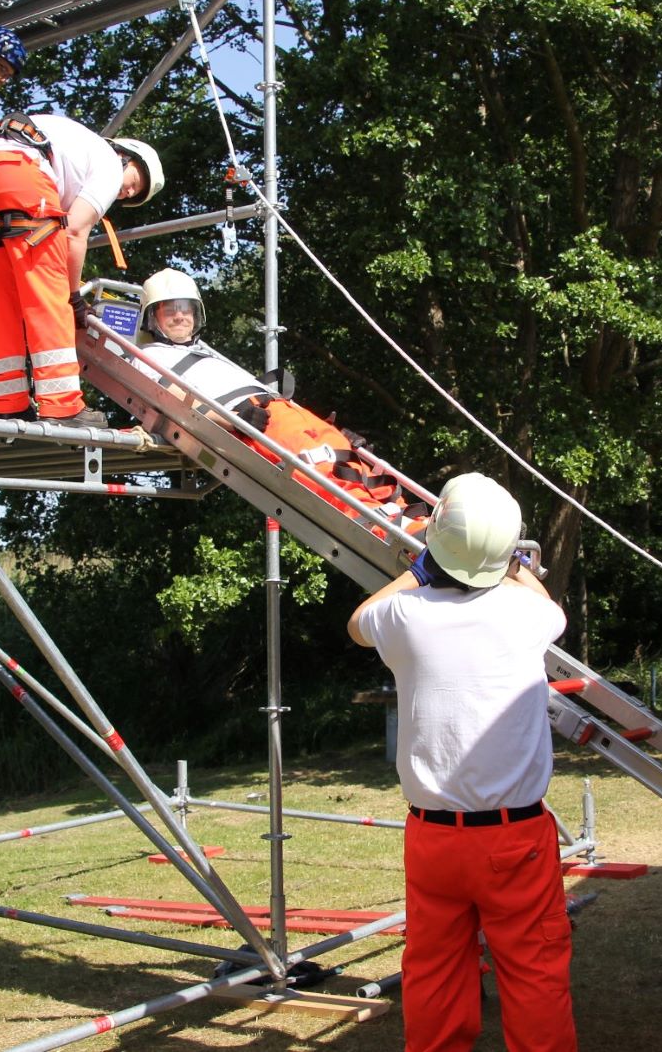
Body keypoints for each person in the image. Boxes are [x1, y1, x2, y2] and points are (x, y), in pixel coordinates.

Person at [347, 473, 576, 1052]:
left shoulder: (405, 617)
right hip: (514, 836)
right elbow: (550, 609)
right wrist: (517, 563)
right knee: (534, 973)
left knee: (435, 975)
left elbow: (358, 623)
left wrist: (416, 568)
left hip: (433, 839)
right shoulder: (527, 617)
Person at [128, 268, 428, 533]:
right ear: (152, 317)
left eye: (186, 309)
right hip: (252, 418)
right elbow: (173, 399)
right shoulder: (148, 357)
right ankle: (388, 533)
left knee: (350, 460)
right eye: (170, 310)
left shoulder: (205, 351)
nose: (180, 316)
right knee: (320, 472)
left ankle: (410, 521)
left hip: (281, 408)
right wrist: (232, 419)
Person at [0, 111, 163, 427]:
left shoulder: (73, 148)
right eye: (135, 184)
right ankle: (63, 408)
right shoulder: (108, 165)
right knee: (49, 293)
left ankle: (11, 405)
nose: (127, 193)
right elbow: (74, 233)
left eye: (133, 196)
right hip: (16, 165)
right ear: (127, 158)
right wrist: (73, 296)